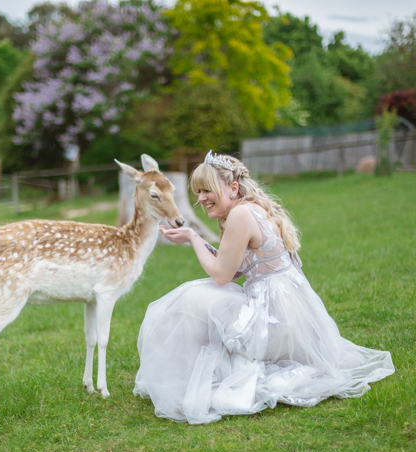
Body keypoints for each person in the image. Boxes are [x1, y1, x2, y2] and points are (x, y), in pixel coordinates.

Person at [132, 151, 395, 424]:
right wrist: (197, 239)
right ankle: (190, 373)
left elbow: (222, 275)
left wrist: (192, 237)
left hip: (272, 318)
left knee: (191, 298)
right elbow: (234, 270)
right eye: (198, 192)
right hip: (286, 311)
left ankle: (185, 378)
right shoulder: (250, 209)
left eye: (207, 190)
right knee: (202, 296)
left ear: (233, 188)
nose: (200, 199)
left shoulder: (240, 215)